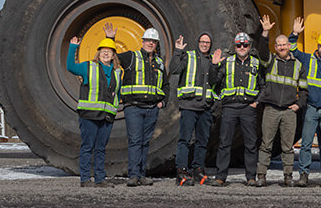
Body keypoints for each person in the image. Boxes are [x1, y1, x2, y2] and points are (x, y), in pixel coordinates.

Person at [103, 24, 168, 187]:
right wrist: (111, 39)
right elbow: (113, 57)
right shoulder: (132, 56)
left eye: (153, 41)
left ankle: (141, 174)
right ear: (142, 41)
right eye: (148, 40)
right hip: (134, 107)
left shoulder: (159, 63)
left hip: (152, 108)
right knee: (135, 140)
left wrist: (163, 101)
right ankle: (133, 175)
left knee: (145, 142)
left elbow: (166, 85)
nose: (150, 43)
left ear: (156, 44)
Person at [255, 16, 309, 187]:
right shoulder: (270, 61)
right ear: (276, 47)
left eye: (285, 44)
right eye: (279, 45)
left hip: (288, 111)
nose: (282, 47)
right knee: (266, 145)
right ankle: (261, 176)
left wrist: (298, 105)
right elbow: (262, 51)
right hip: (271, 109)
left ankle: (288, 176)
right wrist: (265, 32)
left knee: (288, 147)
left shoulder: (298, 65)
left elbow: (305, 91)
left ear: (289, 46)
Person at [289, 18, 321, 188]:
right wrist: (295, 33)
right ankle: (304, 175)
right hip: (311, 108)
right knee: (306, 144)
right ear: (317, 46)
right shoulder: (309, 59)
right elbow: (293, 50)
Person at [208, 30, 263, 187]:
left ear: (249, 46)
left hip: (247, 108)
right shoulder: (227, 62)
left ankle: (251, 177)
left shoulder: (256, 64)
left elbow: (263, 86)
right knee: (224, 143)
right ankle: (220, 177)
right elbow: (214, 81)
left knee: (251, 144)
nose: (242, 47)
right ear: (235, 46)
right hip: (230, 107)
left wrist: (256, 102)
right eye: (239, 45)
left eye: (245, 44)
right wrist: (214, 65)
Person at [67, 36, 121, 188]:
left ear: (113, 55)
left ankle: (100, 179)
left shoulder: (117, 73)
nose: (106, 54)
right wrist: (73, 48)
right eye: (103, 51)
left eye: (109, 51)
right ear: (98, 53)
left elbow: (117, 94)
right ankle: (85, 179)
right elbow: (70, 67)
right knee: (88, 146)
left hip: (107, 116)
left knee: (101, 148)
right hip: (89, 115)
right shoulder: (88, 67)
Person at [170, 31, 221, 186]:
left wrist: (214, 65)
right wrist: (178, 51)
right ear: (198, 42)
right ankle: (182, 172)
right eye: (202, 41)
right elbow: (174, 69)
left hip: (205, 108)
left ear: (210, 44)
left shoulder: (213, 60)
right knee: (185, 140)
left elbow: (214, 81)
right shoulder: (188, 56)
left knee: (202, 141)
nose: (204, 44)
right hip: (189, 106)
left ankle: (198, 171)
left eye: (207, 42)